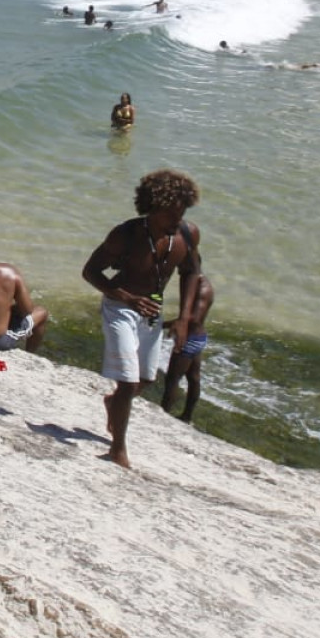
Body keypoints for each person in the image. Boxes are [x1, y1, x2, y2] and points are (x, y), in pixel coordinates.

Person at [81, 169, 201, 468]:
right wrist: (124, 296)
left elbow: (191, 273)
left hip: (153, 311)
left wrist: (184, 318)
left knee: (146, 378)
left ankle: (113, 404)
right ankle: (117, 449)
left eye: (182, 211)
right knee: (127, 381)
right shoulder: (126, 235)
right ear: (153, 207)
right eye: (172, 213)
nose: (178, 219)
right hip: (120, 308)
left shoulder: (187, 234)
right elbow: (90, 272)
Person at [161, 269, 213, 422]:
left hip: (189, 338)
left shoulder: (200, 287)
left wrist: (163, 325)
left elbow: (193, 318)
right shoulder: (203, 283)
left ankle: (163, 415)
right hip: (199, 336)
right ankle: (187, 416)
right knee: (193, 377)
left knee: (172, 379)